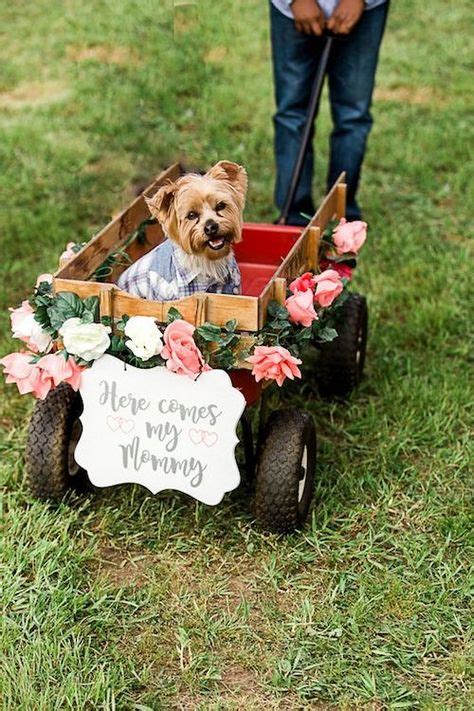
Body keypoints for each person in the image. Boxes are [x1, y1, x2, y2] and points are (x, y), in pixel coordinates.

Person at [270, 0, 389, 224]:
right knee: (292, 115)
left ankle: (341, 218)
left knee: (352, 116)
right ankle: (294, 218)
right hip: (291, 11)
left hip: (364, 9)